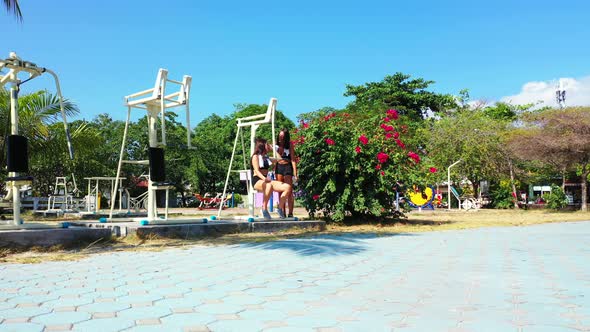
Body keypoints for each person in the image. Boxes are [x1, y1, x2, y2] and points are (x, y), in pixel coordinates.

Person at [251, 138, 292, 219]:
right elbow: (257, 171)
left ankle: (280, 208)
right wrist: (264, 179)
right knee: (268, 185)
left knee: (287, 187)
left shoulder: (266, 158)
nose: (268, 146)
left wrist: (273, 149)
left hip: (266, 181)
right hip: (257, 180)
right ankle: (264, 208)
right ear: (262, 146)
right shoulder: (255, 157)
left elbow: (279, 159)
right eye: (267, 144)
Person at [275, 128, 298, 218]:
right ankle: (282, 212)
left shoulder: (289, 145)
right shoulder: (276, 145)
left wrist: (295, 173)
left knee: (289, 190)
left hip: (287, 167)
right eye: (280, 136)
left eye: (282, 136)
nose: (281, 138)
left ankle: (290, 213)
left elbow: (293, 159)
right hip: (279, 167)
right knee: (280, 191)